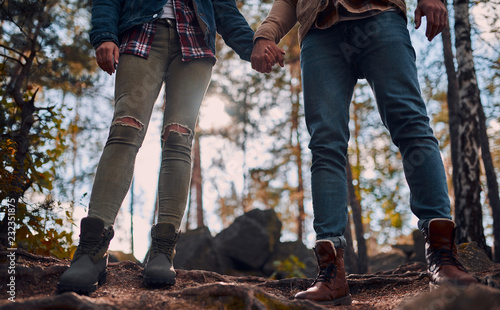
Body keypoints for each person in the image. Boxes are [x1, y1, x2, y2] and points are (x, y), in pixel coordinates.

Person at [251, 0, 478, 305]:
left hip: (379, 15)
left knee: (411, 124)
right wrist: (266, 33)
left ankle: (443, 256)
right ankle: (332, 274)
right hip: (319, 33)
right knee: (325, 146)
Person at [57, 0, 254, 294]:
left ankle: (163, 251)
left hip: (195, 41)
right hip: (141, 33)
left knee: (179, 138)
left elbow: (225, 10)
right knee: (125, 128)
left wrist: (254, 48)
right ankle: (91, 251)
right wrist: (105, 35)